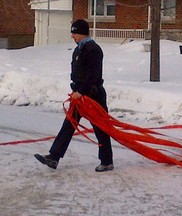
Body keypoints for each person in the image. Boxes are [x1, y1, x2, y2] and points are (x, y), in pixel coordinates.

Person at [34, 19, 113, 172]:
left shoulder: (93, 49)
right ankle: (53, 157)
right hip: (79, 96)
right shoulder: (79, 49)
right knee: (68, 125)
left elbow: (93, 75)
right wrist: (77, 90)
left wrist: (81, 91)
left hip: (93, 96)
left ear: (82, 33)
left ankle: (107, 161)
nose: (72, 36)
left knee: (100, 128)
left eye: (74, 32)